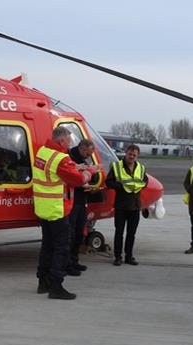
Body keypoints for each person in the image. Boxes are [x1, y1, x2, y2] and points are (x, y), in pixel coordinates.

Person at [33, 127, 94, 300]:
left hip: (43, 207)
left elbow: (55, 173)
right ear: (61, 141)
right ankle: (56, 285)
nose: (70, 144)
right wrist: (90, 172)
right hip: (57, 208)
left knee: (47, 246)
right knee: (62, 247)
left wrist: (76, 166)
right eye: (68, 141)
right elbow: (77, 180)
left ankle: (42, 281)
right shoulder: (61, 158)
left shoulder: (43, 152)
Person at [106, 144, 148, 266]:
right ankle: (117, 257)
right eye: (130, 154)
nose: (132, 156)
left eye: (134, 155)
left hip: (135, 206)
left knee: (131, 233)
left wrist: (138, 185)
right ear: (126, 153)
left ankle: (129, 256)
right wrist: (121, 186)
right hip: (121, 205)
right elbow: (108, 182)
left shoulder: (141, 167)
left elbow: (145, 181)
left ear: (137, 156)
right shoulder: (116, 166)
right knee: (119, 232)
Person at [67, 138, 101, 276]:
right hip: (73, 201)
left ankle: (74, 261)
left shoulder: (84, 159)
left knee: (80, 232)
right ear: (81, 148)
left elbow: (91, 176)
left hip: (82, 200)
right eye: (87, 154)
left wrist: (91, 181)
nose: (88, 156)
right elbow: (75, 178)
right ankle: (68, 264)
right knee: (71, 233)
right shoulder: (70, 157)